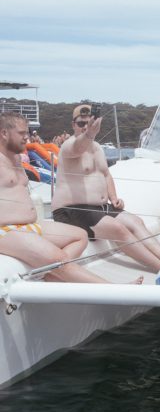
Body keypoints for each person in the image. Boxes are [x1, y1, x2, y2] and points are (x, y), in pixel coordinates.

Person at [0, 112, 137, 284]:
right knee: (59, 258)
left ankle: (51, 272)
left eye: (27, 132)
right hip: (6, 231)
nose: (27, 138)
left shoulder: (16, 158)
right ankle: (115, 289)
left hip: (30, 225)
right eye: (22, 133)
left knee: (80, 236)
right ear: (4, 133)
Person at [52, 105, 160, 272]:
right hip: (71, 210)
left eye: (89, 123)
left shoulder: (96, 147)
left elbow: (105, 174)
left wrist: (114, 197)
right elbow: (78, 148)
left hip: (99, 208)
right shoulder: (68, 146)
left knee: (135, 221)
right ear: (73, 125)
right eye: (81, 124)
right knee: (117, 228)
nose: (85, 127)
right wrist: (90, 133)